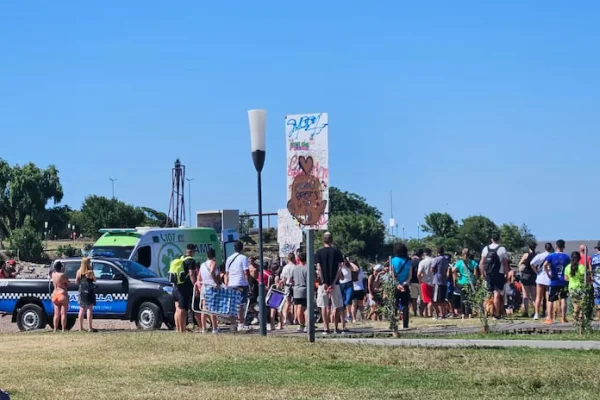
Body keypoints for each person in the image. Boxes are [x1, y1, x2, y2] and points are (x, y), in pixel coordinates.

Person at [315, 232, 345, 334]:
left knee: (323, 305)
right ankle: (336, 328)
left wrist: (324, 282)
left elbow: (319, 268)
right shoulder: (337, 252)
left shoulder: (319, 252)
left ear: (323, 240)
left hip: (322, 284)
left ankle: (326, 328)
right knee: (336, 305)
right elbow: (339, 268)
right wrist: (333, 282)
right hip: (335, 283)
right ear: (332, 240)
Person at [480, 233, 508, 320]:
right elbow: (505, 263)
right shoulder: (502, 249)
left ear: (491, 239)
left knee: (488, 294)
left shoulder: (486, 248)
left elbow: (481, 263)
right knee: (497, 294)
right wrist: (506, 274)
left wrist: (482, 274)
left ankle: (485, 313)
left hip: (488, 274)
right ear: (499, 239)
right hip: (499, 274)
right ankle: (496, 314)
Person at [542, 240, 570, 324]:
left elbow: (544, 265)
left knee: (550, 299)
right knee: (563, 298)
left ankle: (549, 318)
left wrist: (548, 274)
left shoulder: (552, 256)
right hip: (563, 280)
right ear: (563, 246)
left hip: (554, 280)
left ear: (556, 246)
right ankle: (563, 318)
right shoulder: (566, 257)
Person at [173, 244, 199, 333]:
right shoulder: (191, 261)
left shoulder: (180, 257)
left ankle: (178, 328)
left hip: (176, 286)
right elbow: (191, 274)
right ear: (192, 251)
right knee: (182, 309)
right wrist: (195, 285)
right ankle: (182, 329)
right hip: (184, 288)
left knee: (177, 308)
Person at [225, 241, 250, 331]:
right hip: (241, 283)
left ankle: (233, 324)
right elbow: (246, 272)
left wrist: (227, 284)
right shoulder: (243, 258)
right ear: (242, 248)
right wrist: (249, 284)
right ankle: (240, 324)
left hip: (231, 283)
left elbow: (227, 273)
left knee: (232, 304)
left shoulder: (229, 259)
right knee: (240, 304)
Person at [197, 248, 219, 334]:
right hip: (211, 286)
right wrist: (216, 282)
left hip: (204, 286)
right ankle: (215, 328)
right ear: (214, 255)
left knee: (204, 308)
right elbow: (212, 270)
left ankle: (203, 328)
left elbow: (199, 277)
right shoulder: (213, 263)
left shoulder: (202, 265)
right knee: (212, 308)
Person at [391, 243, 412, 329]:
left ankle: (393, 323)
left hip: (395, 285)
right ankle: (405, 324)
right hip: (405, 285)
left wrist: (397, 284)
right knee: (405, 305)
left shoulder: (393, 260)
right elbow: (410, 275)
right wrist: (405, 282)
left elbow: (392, 274)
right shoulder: (408, 261)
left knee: (394, 305)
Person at [531, 242, 554, 320]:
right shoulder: (552, 256)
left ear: (545, 248)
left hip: (540, 277)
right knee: (548, 298)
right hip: (549, 277)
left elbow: (531, 263)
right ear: (551, 248)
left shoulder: (540, 255)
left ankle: (536, 314)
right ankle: (548, 314)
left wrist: (536, 271)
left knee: (538, 297)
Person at [454, 248, 477, 319]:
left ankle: (463, 314)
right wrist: (475, 280)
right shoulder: (473, 262)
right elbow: (475, 273)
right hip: (470, 282)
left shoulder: (459, 262)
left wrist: (458, 276)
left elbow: (453, 270)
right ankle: (470, 313)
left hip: (461, 282)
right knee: (470, 298)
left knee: (462, 298)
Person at [76, 257, 97, 332]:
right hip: (89, 291)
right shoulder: (90, 272)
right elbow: (95, 280)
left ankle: (80, 327)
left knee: (81, 309)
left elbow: (77, 282)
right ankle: (89, 327)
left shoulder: (79, 271)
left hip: (81, 291)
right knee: (89, 309)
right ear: (87, 263)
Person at [518, 243, 538, 318]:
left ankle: (526, 312)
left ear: (528, 247)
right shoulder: (536, 255)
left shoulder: (526, 255)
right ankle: (536, 312)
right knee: (534, 296)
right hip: (533, 276)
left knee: (525, 295)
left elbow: (520, 263)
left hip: (526, 275)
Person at [565, 251, 586, 320]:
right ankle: (580, 317)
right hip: (580, 287)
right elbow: (583, 278)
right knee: (582, 304)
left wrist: (572, 279)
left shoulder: (567, 267)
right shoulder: (581, 267)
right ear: (579, 258)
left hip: (571, 288)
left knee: (575, 305)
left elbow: (566, 278)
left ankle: (575, 319)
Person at [51, 261, 70, 333]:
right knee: (63, 313)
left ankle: (55, 329)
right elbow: (68, 284)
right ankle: (63, 329)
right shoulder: (62, 275)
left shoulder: (53, 274)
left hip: (55, 294)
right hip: (62, 293)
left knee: (56, 314)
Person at [291, 252, 308, 332]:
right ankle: (308, 324)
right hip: (304, 289)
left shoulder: (295, 268)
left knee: (298, 307)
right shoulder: (307, 268)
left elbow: (291, 279)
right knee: (306, 309)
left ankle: (301, 324)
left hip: (296, 290)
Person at [431, 247, 449, 319]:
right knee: (442, 298)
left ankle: (438, 314)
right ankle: (443, 314)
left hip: (437, 280)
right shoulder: (446, 260)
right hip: (444, 281)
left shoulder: (436, 259)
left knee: (436, 299)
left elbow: (432, 269)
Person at [279, 253, 296, 326]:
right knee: (294, 303)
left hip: (287, 286)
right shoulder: (296, 267)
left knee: (287, 303)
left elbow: (283, 278)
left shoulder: (285, 268)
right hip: (294, 286)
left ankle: (285, 318)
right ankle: (294, 318)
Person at [418, 248, 435, 318]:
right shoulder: (434, 261)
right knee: (431, 299)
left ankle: (426, 313)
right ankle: (428, 313)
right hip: (433, 282)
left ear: (424, 254)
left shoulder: (422, 262)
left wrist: (420, 280)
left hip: (424, 282)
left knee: (425, 299)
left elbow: (418, 273)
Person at [339, 257, 355, 324]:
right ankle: (344, 317)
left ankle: (349, 315)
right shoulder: (339, 267)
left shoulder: (348, 266)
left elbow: (356, 269)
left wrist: (349, 263)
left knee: (348, 300)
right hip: (341, 284)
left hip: (349, 284)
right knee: (343, 302)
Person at [410, 249, 424, 317]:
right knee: (422, 299)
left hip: (412, 281)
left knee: (414, 299)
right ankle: (421, 312)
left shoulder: (411, 262)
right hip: (421, 281)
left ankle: (415, 313)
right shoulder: (421, 262)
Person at [590, 242, 600, 320]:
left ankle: (598, 316)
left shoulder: (593, 257)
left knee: (597, 299)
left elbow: (590, 270)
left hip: (596, 281)